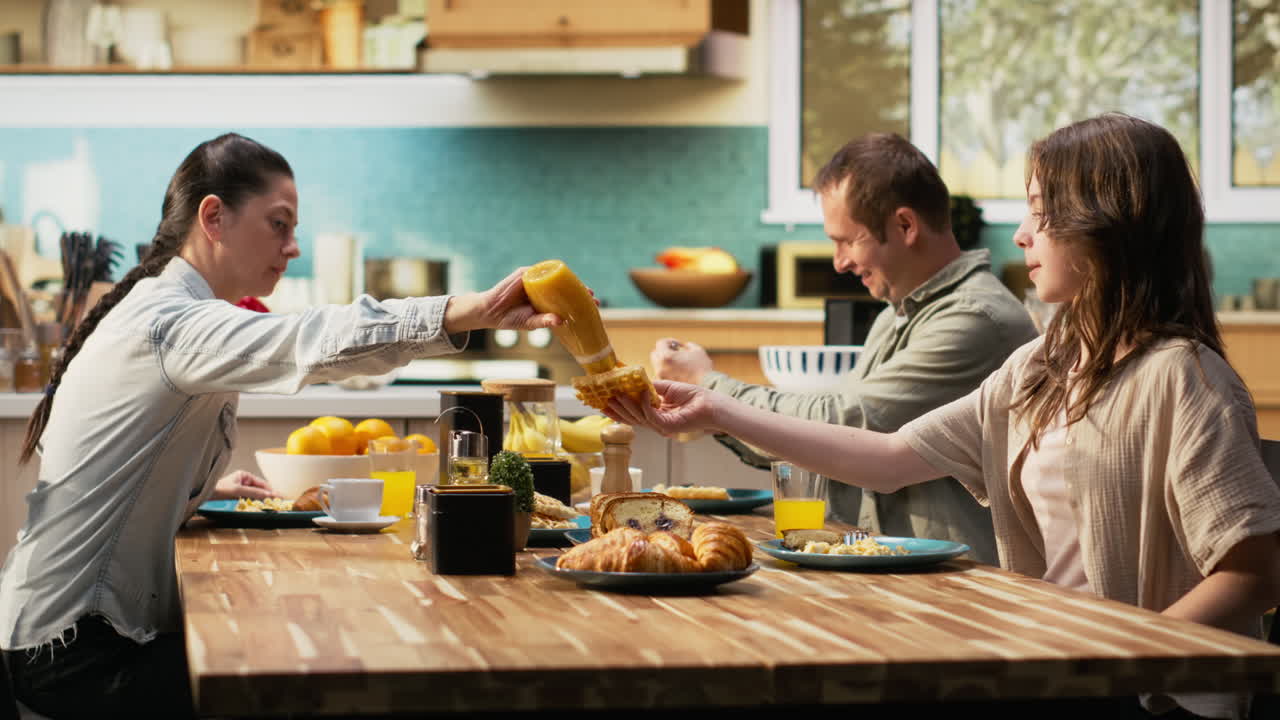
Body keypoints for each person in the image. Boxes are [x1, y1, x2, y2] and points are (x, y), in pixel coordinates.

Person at [612, 114, 1280, 719]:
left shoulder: (1185, 378)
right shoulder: (1044, 366)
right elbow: (892, 457)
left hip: (1148, 699)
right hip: (1058, 673)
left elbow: (1255, 572)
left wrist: (1126, 664)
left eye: (1042, 216)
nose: (1020, 235)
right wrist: (717, 408)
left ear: (1108, 225)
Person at [0, 133, 565, 718]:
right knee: (317, 673)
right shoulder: (169, 324)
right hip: (75, 656)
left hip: (62, 635)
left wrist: (191, 488)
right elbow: (310, 340)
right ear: (213, 217)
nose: (293, 247)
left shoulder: (164, 311)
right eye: (279, 224)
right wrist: (474, 309)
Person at [651, 133, 1037, 565]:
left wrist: (709, 387)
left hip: (962, 581)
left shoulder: (975, 319)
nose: (839, 262)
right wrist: (712, 404)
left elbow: (849, 423)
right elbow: (831, 443)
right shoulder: (896, 314)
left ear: (906, 226)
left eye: (847, 241)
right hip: (896, 570)